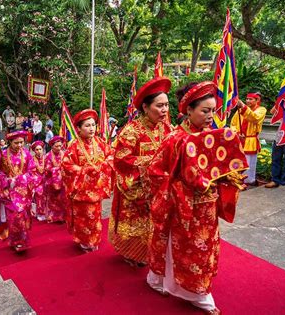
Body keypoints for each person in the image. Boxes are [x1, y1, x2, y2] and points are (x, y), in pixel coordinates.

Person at [146, 81, 247, 314]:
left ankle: (191, 288)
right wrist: (182, 189)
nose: (211, 115)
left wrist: (226, 179)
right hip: (183, 207)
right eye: (205, 111)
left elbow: (221, 168)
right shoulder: (175, 139)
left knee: (205, 248)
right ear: (188, 110)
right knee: (185, 249)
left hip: (207, 206)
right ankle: (196, 294)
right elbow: (155, 171)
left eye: (213, 110)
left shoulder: (211, 136)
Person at [109, 77, 173, 267]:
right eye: (159, 105)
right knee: (136, 226)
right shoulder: (132, 131)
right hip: (135, 189)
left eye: (167, 105)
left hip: (158, 189)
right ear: (145, 107)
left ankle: (151, 254)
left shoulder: (167, 128)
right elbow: (121, 159)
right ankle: (132, 253)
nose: (164, 110)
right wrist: (153, 164)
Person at [61, 109, 113, 252]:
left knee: (95, 217)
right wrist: (85, 171)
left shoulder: (100, 142)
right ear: (78, 128)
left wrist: (102, 166)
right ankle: (84, 241)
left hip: (96, 189)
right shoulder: (74, 146)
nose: (91, 129)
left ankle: (93, 241)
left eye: (93, 125)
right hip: (81, 191)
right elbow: (66, 166)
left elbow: (110, 156)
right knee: (83, 218)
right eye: (87, 126)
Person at [0, 130, 34, 252]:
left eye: (21, 142)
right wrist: (6, 180)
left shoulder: (26, 154)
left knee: (23, 217)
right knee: (15, 217)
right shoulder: (2, 156)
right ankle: (16, 241)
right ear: (10, 142)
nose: (20, 145)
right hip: (9, 192)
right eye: (16, 143)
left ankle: (23, 240)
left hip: (24, 191)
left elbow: (32, 171)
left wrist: (24, 178)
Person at [230, 92, 267, 186]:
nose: (247, 101)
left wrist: (243, 107)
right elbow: (233, 124)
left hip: (251, 141)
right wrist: (237, 133)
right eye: (247, 99)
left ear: (257, 100)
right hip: (239, 139)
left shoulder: (261, 110)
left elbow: (254, 118)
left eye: (250, 99)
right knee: (238, 161)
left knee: (249, 163)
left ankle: (249, 181)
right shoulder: (240, 110)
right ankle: (238, 180)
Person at [265, 106, 285, 188]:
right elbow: (272, 111)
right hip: (279, 138)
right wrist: (281, 100)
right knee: (276, 160)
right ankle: (275, 180)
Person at [44, 136, 68, 223]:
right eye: (56, 146)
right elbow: (47, 170)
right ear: (52, 146)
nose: (59, 148)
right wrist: (57, 170)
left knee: (64, 199)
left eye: (60, 146)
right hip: (52, 182)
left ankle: (64, 217)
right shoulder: (47, 156)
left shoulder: (64, 154)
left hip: (64, 181)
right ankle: (55, 218)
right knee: (54, 200)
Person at [30, 141, 46, 221]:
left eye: (40, 149)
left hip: (46, 180)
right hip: (37, 181)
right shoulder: (32, 160)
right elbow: (32, 173)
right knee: (39, 192)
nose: (39, 151)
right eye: (37, 149)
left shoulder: (46, 158)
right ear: (34, 151)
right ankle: (40, 213)